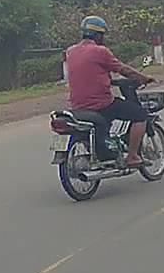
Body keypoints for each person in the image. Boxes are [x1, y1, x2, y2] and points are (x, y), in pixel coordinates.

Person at [63, 15, 155, 167]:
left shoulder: (70, 51)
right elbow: (123, 69)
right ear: (98, 35)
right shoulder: (100, 51)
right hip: (101, 104)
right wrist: (144, 78)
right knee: (140, 115)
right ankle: (132, 156)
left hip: (77, 105)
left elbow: (87, 73)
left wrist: (108, 80)